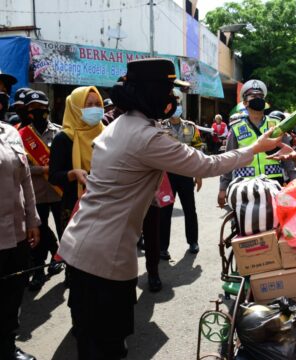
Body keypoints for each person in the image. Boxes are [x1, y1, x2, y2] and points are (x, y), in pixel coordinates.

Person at [56, 58, 282, 360]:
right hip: (105, 259)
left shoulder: (120, 125)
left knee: (90, 341)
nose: (173, 100)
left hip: (80, 249)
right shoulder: (147, 137)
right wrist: (254, 149)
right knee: (106, 347)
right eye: (168, 91)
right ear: (151, 93)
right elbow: (206, 164)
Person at [0, 90, 41, 360]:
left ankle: (6, 347)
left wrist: (33, 220)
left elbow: (25, 180)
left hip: (15, 233)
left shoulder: (11, 133)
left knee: (13, 294)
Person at [217, 79, 296, 208]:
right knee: (245, 223)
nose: (258, 99)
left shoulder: (276, 124)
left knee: (274, 222)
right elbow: (229, 159)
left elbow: (288, 156)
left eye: (260, 97)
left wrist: (294, 181)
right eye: (253, 96)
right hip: (244, 184)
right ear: (245, 102)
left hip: (273, 182)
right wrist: (223, 188)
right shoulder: (236, 128)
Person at [18, 90, 64, 291]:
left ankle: (67, 266)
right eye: (33, 108)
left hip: (59, 192)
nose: (38, 111)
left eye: (41, 107)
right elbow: (20, 167)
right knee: (38, 233)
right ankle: (37, 271)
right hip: (36, 194)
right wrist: (42, 169)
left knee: (65, 232)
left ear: (47, 108)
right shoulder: (20, 136)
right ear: (28, 111)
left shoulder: (60, 132)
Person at [49, 86, 105, 232]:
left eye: (98, 104)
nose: (95, 109)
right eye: (89, 105)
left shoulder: (107, 134)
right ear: (76, 108)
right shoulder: (63, 138)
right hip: (74, 205)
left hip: (106, 204)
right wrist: (73, 174)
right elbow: (53, 176)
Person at [159, 88, 203, 259]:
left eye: (178, 104)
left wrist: (199, 175)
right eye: (173, 104)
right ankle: (162, 247)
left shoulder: (191, 127)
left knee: (190, 209)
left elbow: (199, 151)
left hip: (186, 174)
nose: (176, 107)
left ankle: (193, 241)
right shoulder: (160, 126)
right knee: (165, 213)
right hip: (167, 176)